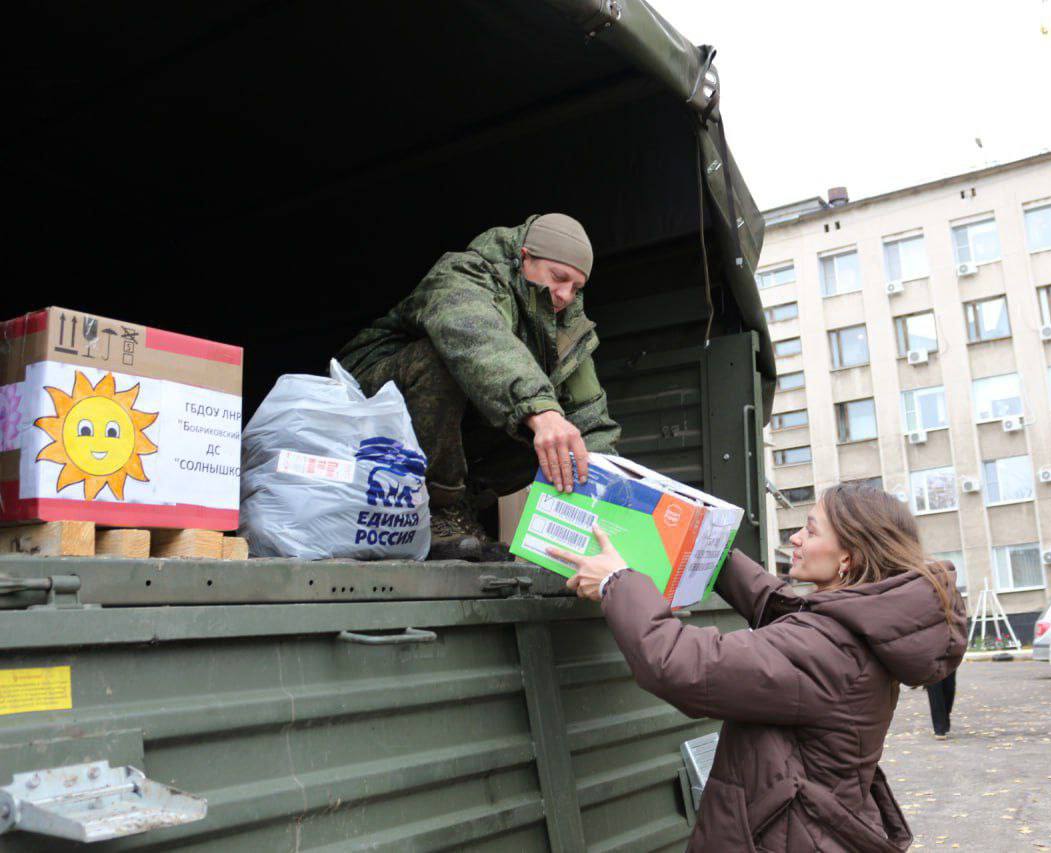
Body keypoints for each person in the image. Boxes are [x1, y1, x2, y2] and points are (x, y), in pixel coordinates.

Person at [552, 483, 966, 852]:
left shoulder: (828, 649)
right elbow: (781, 607)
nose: (795, 538)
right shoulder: (859, 630)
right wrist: (707, 547)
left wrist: (617, 582)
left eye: (811, 529)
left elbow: (677, 664)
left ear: (848, 558)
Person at [337, 214, 620, 554]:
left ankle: (458, 506)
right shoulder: (464, 274)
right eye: (558, 278)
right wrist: (543, 411)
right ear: (525, 257)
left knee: (561, 442)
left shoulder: (568, 332)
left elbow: (591, 420)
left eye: (576, 287)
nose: (565, 295)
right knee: (443, 362)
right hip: (370, 399)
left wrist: (614, 506)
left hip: (451, 423)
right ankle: (437, 505)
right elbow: (476, 338)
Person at [926, 670, 957, 739]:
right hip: (929, 661)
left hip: (949, 661)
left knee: (950, 687)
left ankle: (945, 717)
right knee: (934, 688)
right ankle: (939, 727)